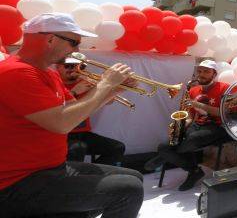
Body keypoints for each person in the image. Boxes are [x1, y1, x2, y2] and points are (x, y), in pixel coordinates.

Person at [0, 13, 143, 217]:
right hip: (19, 181)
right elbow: (62, 123)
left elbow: (77, 108)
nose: (77, 50)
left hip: (50, 168)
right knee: (128, 190)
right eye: (74, 42)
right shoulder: (17, 72)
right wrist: (104, 84)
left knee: (134, 176)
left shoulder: (48, 73)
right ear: (50, 39)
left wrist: (114, 90)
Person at [145, 59, 231, 191]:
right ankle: (194, 170)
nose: (201, 74)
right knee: (164, 146)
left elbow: (223, 113)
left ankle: (163, 158)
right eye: (199, 71)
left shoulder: (224, 87)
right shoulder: (193, 90)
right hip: (198, 125)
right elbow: (191, 116)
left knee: (191, 140)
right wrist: (182, 126)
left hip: (219, 126)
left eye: (206, 72)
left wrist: (197, 104)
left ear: (214, 74)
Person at [55, 55, 126, 166]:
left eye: (81, 67)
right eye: (69, 66)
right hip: (60, 134)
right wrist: (73, 92)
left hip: (82, 133)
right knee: (78, 148)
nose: (74, 70)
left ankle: (94, 176)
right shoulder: (54, 83)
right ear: (57, 66)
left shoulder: (86, 83)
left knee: (117, 147)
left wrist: (104, 86)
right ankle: (71, 179)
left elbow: (109, 102)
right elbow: (53, 109)